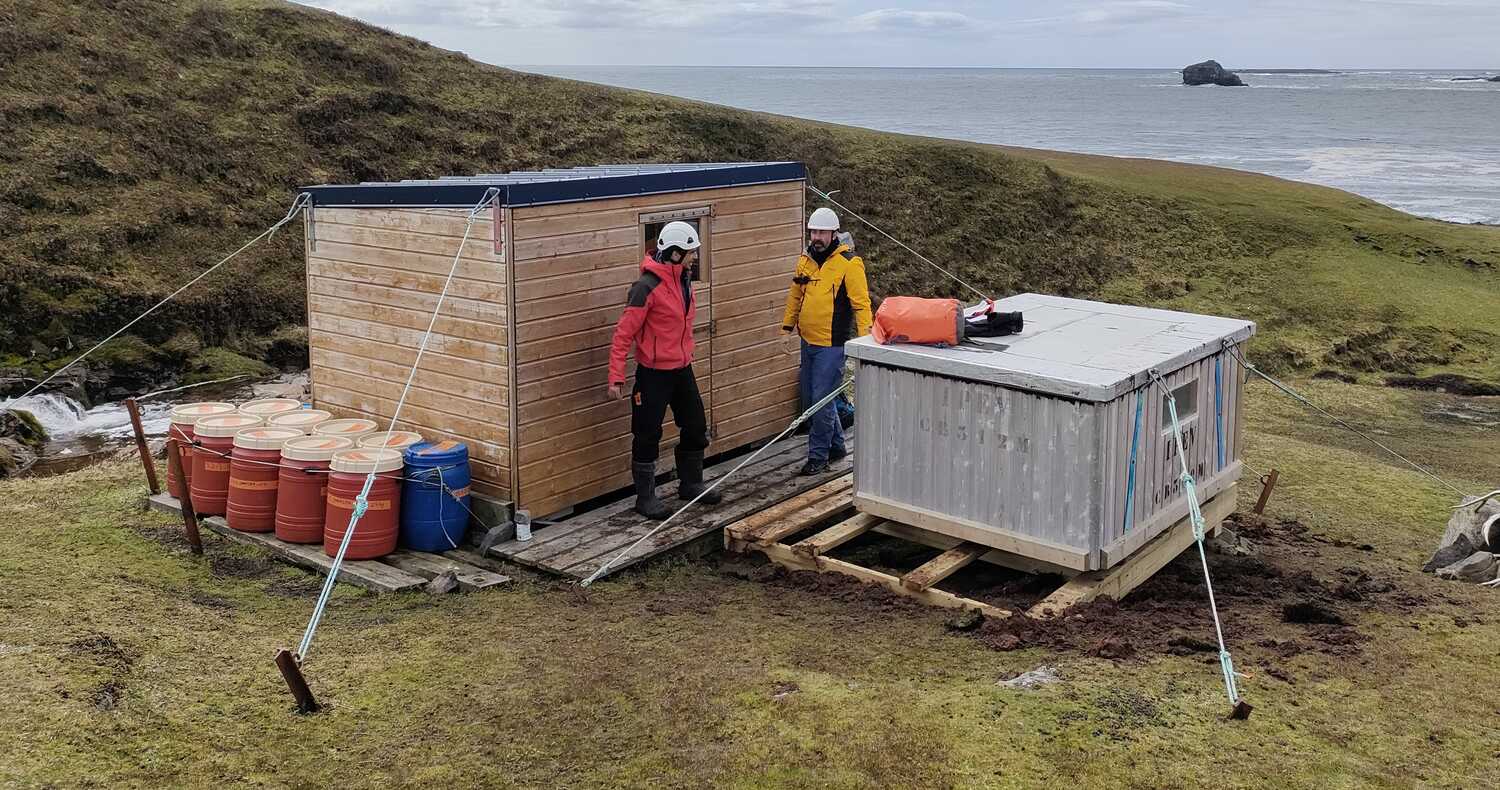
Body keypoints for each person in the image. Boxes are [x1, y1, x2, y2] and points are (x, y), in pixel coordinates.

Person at [607, 220, 722, 519]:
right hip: (653, 374)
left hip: (682, 369)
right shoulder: (645, 287)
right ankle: (645, 499)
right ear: (674, 254)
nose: (695, 257)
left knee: (696, 426)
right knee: (646, 434)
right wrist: (616, 376)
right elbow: (623, 334)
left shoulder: (683, 279)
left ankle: (691, 483)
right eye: (690, 252)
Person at [781, 207, 872, 476]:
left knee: (821, 401)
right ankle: (836, 446)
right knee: (813, 399)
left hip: (832, 344)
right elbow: (795, 294)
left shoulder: (849, 264)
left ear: (834, 233)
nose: (816, 237)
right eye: (813, 232)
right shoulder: (806, 259)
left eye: (821, 232)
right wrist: (788, 324)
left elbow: (862, 304)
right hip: (807, 340)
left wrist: (868, 339)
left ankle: (818, 457)